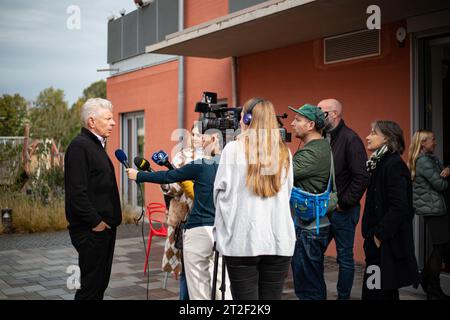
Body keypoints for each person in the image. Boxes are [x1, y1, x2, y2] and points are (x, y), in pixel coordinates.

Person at [126, 129, 230, 300]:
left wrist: (140, 175)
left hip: (200, 228)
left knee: (201, 285)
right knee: (217, 282)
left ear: (214, 138)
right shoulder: (233, 164)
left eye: (201, 136)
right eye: (195, 135)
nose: (198, 140)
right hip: (215, 228)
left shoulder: (203, 164)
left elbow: (168, 175)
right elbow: (170, 183)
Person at [214, 98, 295, 300]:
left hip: (242, 241)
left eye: (241, 116)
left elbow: (219, 194)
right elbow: (288, 193)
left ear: (248, 119)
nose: (239, 121)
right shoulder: (285, 152)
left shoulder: (233, 150)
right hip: (278, 240)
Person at [64, 98, 122, 300]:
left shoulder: (95, 145)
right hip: (92, 231)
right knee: (90, 289)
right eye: (108, 118)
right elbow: (76, 193)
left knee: (99, 287)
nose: (113, 123)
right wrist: (96, 223)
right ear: (91, 121)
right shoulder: (80, 147)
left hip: (103, 230)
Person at [318, 98, 369, 300]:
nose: (317, 116)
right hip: (322, 209)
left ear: (334, 114)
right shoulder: (322, 137)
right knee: (314, 253)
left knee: (345, 258)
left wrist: (343, 203)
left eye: (321, 112)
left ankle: (343, 297)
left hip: (343, 211)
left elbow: (361, 176)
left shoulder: (350, 138)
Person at [362, 120, 419, 300]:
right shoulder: (379, 163)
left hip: (384, 243)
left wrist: (379, 235)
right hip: (378, 242)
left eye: (373, 133)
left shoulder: (393, 165)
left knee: (375, 290)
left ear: (386, 138)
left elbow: (401, 206)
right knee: (385, 290)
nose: (368, 137)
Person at [288, 104, 332, 300]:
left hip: (310, 229)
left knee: (309, 288)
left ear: (311, 124)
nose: (292, 123)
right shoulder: (318, 147)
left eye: (298, 120)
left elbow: (281, 174)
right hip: (309, 225)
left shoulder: (314, 152)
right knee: (308, 283)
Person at [159, 124, 204, 300]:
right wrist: (165, 183)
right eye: (192, 134)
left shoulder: (218, 156)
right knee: (187, 267)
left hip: (211, 219)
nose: (195, 138)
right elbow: (175, 188)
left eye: (199, 134)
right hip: (187, 218)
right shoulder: (182, 157)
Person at [407, 130, 450, 299]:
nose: (436, 142)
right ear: (423, 143)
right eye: (433, 140)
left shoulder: (429, 158)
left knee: (440, 246)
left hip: (434, 208)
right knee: (440, 247)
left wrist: (446, 170)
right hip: (433, 209)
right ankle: (433, 288)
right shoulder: (424, 161)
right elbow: (440, 185)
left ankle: (425, 279)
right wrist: (447, 174)